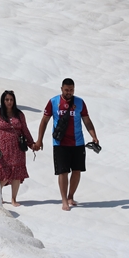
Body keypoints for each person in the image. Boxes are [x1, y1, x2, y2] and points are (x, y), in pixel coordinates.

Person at [33, 78, 99, 212]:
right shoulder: (53, 102)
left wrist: (94, 136)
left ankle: (70, 196)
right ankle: (64, 200)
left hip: (77, 142)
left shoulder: (80, 102)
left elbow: (87, 120)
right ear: (61, 89)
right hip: (60, 143)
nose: (69, 92)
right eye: (66, 90)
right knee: (63, 171)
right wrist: (39, 140)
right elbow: (44, 121)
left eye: (71, 90)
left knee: (77, 170)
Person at [0, 90, 37, 206]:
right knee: (3, 174)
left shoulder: (19, 115)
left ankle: (13, 199)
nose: (9, 102)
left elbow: (25, 130)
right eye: (7, 100)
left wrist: (31, 144)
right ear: (3, 101)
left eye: (11, 100)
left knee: (17, 173)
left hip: (17, 148)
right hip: (3, 149)